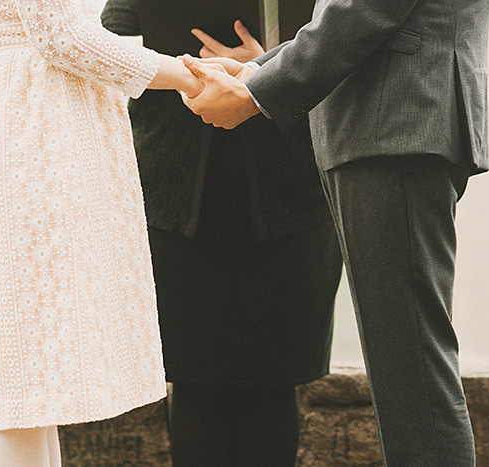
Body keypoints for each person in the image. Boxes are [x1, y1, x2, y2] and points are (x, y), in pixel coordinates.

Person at [180, 0, 489, 465]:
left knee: (413, 377)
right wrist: (257, 71)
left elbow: (365, 7)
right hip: (386, 123)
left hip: (398, 123)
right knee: (405, 373)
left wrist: (257, 91)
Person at [0, 0, 205, 465]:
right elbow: (62, 36)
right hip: (37, 139)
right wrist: (191, 75)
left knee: (30, 383)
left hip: (21, 121)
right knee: (23, 387)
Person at [100, 1, 343, 466]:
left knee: (276, 377)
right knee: (192, 378)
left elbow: (346, 36)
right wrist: (185, 70)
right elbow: (113, 45)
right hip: (176, 189)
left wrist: (266, 65)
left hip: (289, 190)